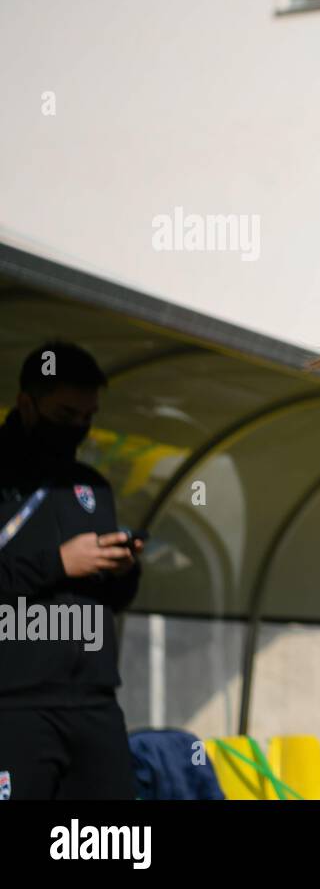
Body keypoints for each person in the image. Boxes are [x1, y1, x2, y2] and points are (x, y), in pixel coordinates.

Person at [0, 341, 143, 799]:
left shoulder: (92, 486)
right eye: (65, 416)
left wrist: (121, 567)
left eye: (87, 417)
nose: (78, 429)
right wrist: (59, 563)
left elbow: (114, 599)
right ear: (27, 404)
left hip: (94, 699)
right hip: (15, 703)